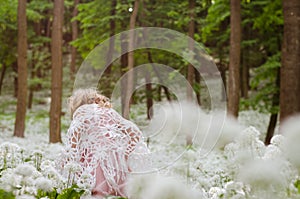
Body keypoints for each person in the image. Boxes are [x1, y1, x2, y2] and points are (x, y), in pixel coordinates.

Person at [59, 88, 150, 198]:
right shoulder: (109, 112)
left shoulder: (81, 114)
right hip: (117, 163)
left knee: (98, 194)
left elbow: (72, 145)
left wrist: (66, 164)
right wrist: (124, 155)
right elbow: (135, 134)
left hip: (96, 163)